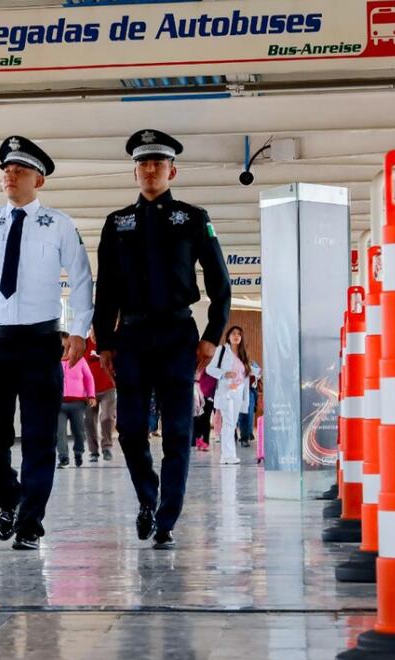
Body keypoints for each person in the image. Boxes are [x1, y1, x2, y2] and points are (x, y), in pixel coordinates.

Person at [0, 135, 94, 551]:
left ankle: (30, 522)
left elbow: (82, 279)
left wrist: (79, 329)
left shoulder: (59, 224)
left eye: (20, 170)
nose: (10, 175)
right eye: (7, 169)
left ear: (39, 180)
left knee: (39, 437)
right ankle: (9, 499)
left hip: (40, 345)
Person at [94, 129, 231, 550]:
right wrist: (105, 344)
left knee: (176, 432)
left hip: (177, 336)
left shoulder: (193, 218)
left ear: (172, 171)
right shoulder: (117, 223)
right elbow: (106, 290)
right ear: (134, 172)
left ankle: (167, 518)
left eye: (158, 163)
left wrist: (211, 336)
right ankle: (147, 499)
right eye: (143, 163)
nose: (150, 170)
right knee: (130, 429)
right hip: (132, 338)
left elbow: (220, 283)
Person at [205, 326, 251, 465]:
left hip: (238, 391)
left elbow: (246, 377)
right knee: (229, 422)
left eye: (239, 334)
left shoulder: (243, 354)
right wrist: (224, 374)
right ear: (228, 337)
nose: (236, 336)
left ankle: (228, 455)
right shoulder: (222, 350)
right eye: (233, 333)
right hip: (226, 391)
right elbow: (209, 369)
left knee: (232, 423)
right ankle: (227, 455)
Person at [57, 332, 96, 469]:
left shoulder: (80, 360)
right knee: (60, 432)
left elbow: (89, 378)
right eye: (62, 347)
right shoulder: (52, 362)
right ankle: (63, 458)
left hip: (78, 404)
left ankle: (78, 452)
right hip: (59, 404)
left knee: (78, 431)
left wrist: (91, 395)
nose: (65, 350)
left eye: (68, 347)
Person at [83, 331, 116, 463]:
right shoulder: (84, 344)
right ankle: (93, 452)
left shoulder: (109, 344)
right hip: (89, 391)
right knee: (89, 421)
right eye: (93, 329)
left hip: (108, 388)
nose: (95, 333)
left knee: (107, 417)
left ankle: (107, 447)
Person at [237, 359, 261, 447]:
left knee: (247, 413)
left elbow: (258, 373)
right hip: (236, 389)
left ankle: (246, 435)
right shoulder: (233, 361)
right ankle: (242, 434)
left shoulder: (251, 363)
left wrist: (251, 371)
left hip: (248, 390)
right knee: (239, 414)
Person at [193, 369, 216, 452]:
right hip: (198, 392)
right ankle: (199, 439)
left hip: (208, 393)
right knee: (198, 417)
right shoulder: (199, 365)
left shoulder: (210, 366)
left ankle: (205, 441)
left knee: (205, 418)